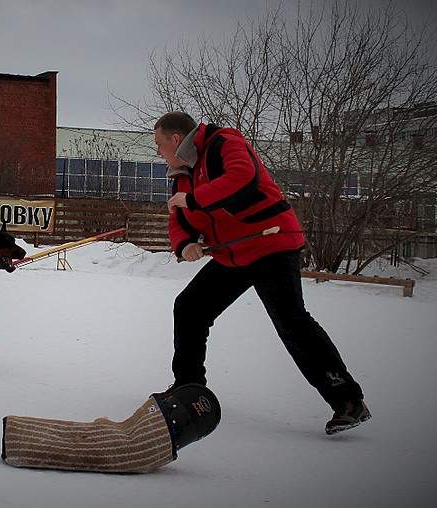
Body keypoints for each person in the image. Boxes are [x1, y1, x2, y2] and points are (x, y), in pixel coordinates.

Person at [154, 111, 369, 435]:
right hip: (233, 254)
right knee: (190, 307)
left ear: (175, 139)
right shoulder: (181, 174)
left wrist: (195, 199)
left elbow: (242, 176)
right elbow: (178, 219)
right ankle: (189, 386)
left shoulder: (223, 142)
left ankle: (348, 401)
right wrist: (184, 245)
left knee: (292, 321)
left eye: (159, 144)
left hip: (272, 242)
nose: (157, 152)